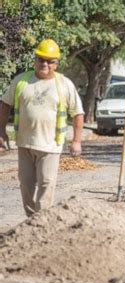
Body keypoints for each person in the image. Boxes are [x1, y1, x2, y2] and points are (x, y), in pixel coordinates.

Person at [0, 39, 84, 217]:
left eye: (50, 61)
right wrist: (1, 132)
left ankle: (42, 219)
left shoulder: (64, 84)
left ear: (56, 64)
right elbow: (5, 105)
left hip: (50, 146)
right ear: (35, 60)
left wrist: (76, 141)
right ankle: (31, 221)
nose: (44, 64)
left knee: (46, 182)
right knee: (26, 184)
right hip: (25, 143)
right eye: (41, 59)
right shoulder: (21, 81)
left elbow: (78, 113)